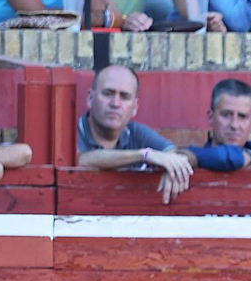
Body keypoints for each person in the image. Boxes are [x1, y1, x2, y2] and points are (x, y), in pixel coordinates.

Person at [75, 64, 197, 203]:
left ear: (134, 107)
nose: (115, 103)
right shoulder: (70, 132)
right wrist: (144, 155)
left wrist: (173, 165)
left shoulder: (136, 132)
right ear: (90, 98)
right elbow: (81, 160)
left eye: (124, 97)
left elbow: (183, 155)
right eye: (108, 93)